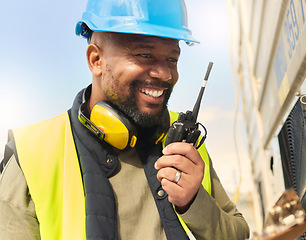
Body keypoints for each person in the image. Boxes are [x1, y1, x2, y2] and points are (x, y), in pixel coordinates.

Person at [0, 0, 250, 239]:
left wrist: (193, 202)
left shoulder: (184, 143)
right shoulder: (32, 154)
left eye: (172, 59)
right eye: (144, 55)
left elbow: (237, 234)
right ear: (96, 60)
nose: (164, 73)